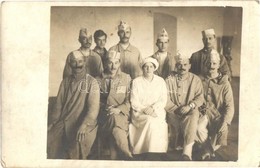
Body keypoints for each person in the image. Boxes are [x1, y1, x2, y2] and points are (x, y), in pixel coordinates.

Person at [47, 54, 100, 159]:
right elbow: (58, 105)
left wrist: (84, 125)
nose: (77, 65)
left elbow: (93, 110)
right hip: (64, 121)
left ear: (84, 62)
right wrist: (52, 123)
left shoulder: (92, 82)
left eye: (80, 61)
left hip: (84, 123)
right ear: (70, 64)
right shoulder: (65, 81)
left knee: (75, 148)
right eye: (74, 62)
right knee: (49, 140)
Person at [195, 49, 234, 160]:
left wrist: (226, 121)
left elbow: (229, 106)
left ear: (218, 65)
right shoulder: (199, 79)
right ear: (205, 64)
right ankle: (208, 151)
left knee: (220, 131)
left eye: (214, 63)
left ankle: (206, 150)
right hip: (202, 113)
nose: (211, 66)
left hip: (217, 115)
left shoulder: (225, 83)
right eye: (209, 63)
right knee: (197, 128)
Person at [165, 52, 204, 161]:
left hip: (190, 110)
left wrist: (189, 106)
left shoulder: (195, 79)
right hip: (173, 111)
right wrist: (175, 109)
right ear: (175, 66)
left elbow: (200, 98)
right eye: (179, 65)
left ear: (189, 66)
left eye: (185, 65)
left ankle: (187, 152)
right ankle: (176, 146)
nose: (182, 67)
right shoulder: (169, 79)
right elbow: (165, 98)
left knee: (193, 114)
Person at [129, 57, 168, 160]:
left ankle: (157, 151)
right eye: (146, 67)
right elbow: (134, 101)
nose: (148, 69)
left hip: (157, 111)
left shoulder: (160, 81)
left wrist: (153, 108)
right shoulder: (136, 81)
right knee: (150, 121)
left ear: (154, 68)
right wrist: (144, 109)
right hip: (140, 112)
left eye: (151, 66)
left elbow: (163, 99)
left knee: (156, 121)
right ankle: (145, 151)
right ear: (142, 68)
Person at [96, 50, 132, 159]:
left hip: (122, 114)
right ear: (105, 63)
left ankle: (115, 155)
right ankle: (126, 152)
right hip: (104, 114)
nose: (113, 66)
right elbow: (94, 101)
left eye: (116, 63)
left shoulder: (126, 78)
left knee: (115, 119)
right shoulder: (97, 79)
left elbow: (129, 100)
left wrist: (119, 109)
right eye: (110, 63)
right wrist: (106, 108)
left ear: (120, 63)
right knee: (114, 124)